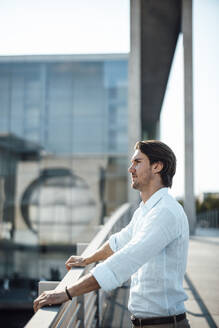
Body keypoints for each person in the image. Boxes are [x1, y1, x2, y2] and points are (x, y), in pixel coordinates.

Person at [33, 140, 190, 328]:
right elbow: (119, 242)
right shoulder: (145, 211)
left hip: (164, 325)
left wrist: (66, 293)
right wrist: (88, 259)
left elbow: (126, 258)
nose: (131, 169)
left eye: (137, 162)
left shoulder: (165, 212)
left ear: (157, 166)